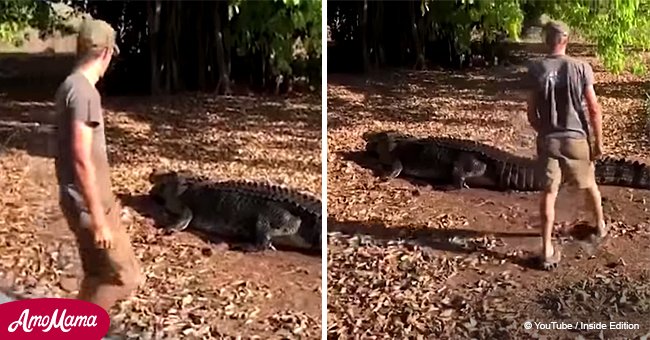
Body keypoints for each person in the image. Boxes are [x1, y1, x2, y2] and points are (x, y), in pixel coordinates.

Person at [54, 18, 142, 312]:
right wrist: (99, 218)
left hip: (78, 199)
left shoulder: (68, 86)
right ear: (105, 53)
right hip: (90, 205)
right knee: (125, 277)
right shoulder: (85, 93)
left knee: (97, 274)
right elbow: (81, 156)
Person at [524, 20, 607, 270]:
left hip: (550, 140)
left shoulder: (536, 68)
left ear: (546, 41)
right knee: (589, 183)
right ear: (566, 40)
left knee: (549, 193)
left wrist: (544, 131)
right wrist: (598, 142)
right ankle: (600, 226)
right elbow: (593, 108)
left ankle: (547, 249)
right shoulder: (581, 67)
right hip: (576, 138)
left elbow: (530, 112)